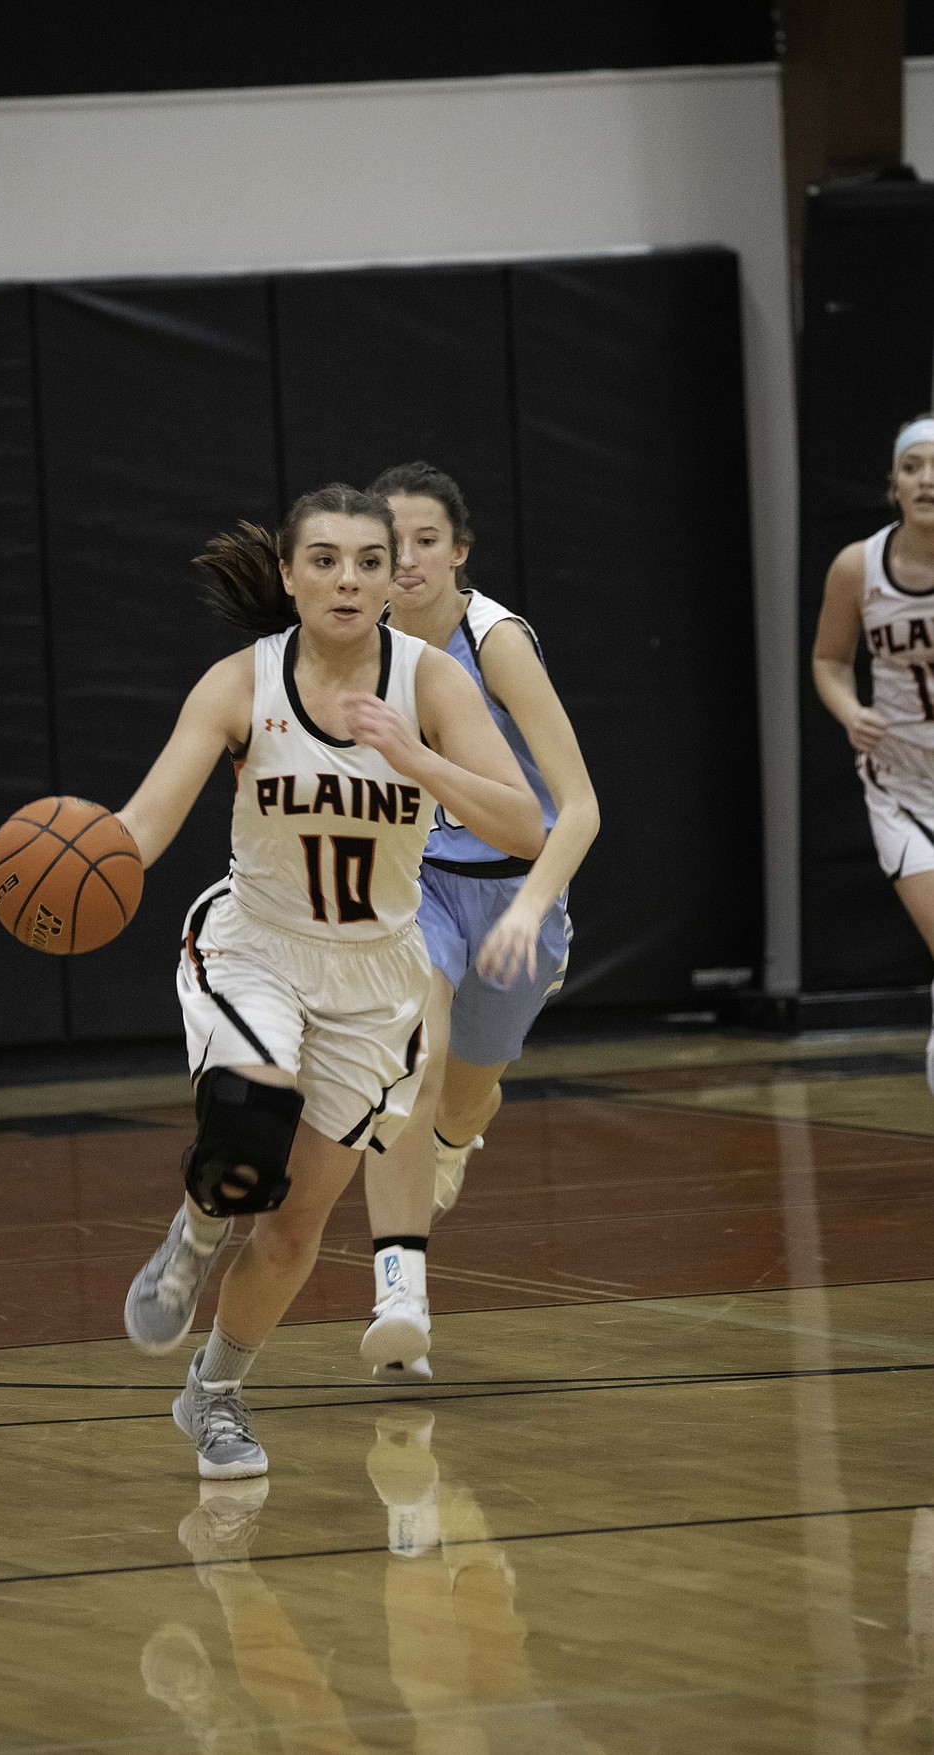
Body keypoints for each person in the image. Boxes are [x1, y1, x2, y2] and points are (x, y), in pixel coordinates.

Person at [118, 483, 545, 1478]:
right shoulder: (238, 684)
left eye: (365, 560)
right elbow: (145, 823)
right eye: (324, 560)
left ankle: (213, 1395)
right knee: (247, 1121)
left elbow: (525, 825)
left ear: (392, 579)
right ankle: (191, 1230)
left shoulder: (432, 685)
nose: (346, 579)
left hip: (377, 978)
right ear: (290, 576)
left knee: (295, 1224)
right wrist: (81, 865)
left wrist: (418, 761)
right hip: (257, 948)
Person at [357, 463, 599, 1382]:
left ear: (460, 551)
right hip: (418, 885)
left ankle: (454, 1144)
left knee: (463, 1097)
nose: (407, 560)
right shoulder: (358, 642)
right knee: (411, 1058)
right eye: (393, 544)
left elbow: (578, 809)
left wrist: (533, 904)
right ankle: (400, 1292)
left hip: (516, 891)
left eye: (427, 541)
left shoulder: (492, 643)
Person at [813, 415, 934, 1097]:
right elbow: (830, 659)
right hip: (901, 789)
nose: (927, 479)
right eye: (912, 466)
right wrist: (848, 708)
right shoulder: (857, 565)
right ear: (893, 484)